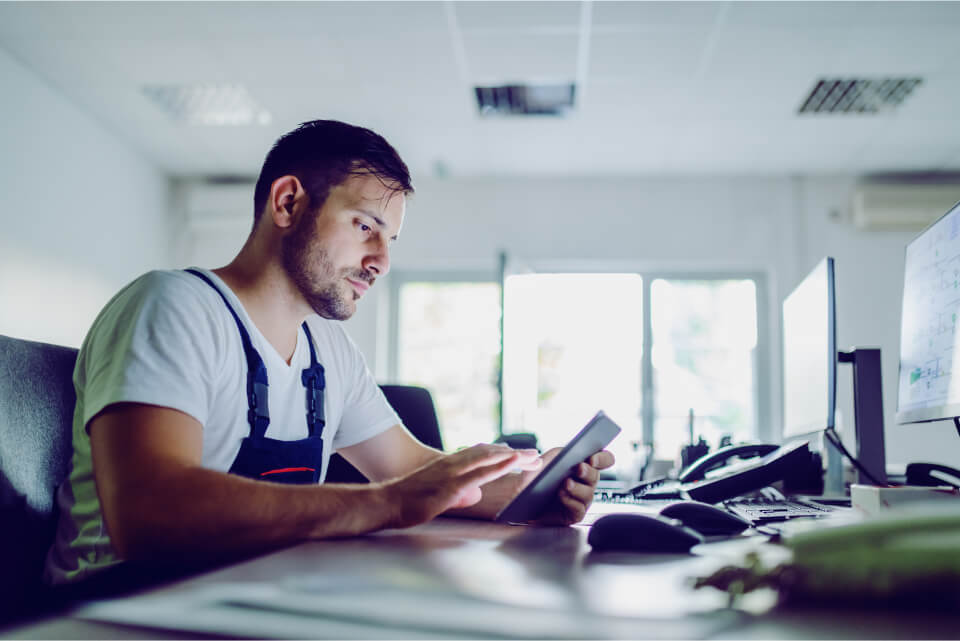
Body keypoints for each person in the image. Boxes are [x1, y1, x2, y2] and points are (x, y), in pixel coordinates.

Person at [44, 119, 614, 586]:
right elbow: (149, 514)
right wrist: (385, 504)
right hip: (117, 613)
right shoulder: (171, 306)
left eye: (389, 239)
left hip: (246, 596)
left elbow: (416, 472)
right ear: (288, 203)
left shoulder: (328, 352)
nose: (380, 261)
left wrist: (537, 490)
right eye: (366, 226)